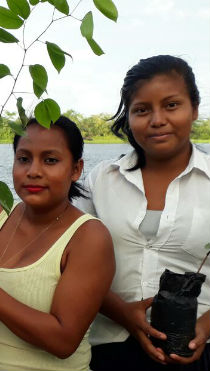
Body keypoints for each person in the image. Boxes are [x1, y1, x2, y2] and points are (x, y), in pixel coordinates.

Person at [0, 116, 115, 371]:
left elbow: (63, 341)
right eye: (24, 159)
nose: (33, 171)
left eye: (50, 160)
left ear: (76, 169)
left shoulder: (89, 237)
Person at [76, 55, 210, 371]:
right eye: (142, 110)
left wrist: (205, 327)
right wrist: (123, 311)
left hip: (196, 352)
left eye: (171, 105)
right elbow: (73, 263)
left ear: (194, 108)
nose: (157, 119)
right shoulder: (100, 180)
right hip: (110, 349)